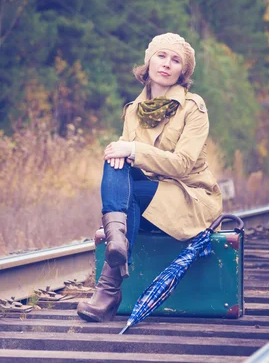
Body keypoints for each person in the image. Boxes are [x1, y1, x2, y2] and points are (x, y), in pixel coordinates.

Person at [77, 33, 223, 322]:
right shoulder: (133, 111)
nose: (166, 64)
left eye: (175, 60)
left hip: (188, 198)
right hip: (148, 201)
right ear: (149, 61)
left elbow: (182, 165)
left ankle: (109, 286)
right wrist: (121, 153)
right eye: (161, 56)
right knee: (114, 163)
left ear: (183, 71)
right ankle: (117, 242)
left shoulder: (193, 107)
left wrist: (132, 149)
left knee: (126, 180)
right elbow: (124, 166)